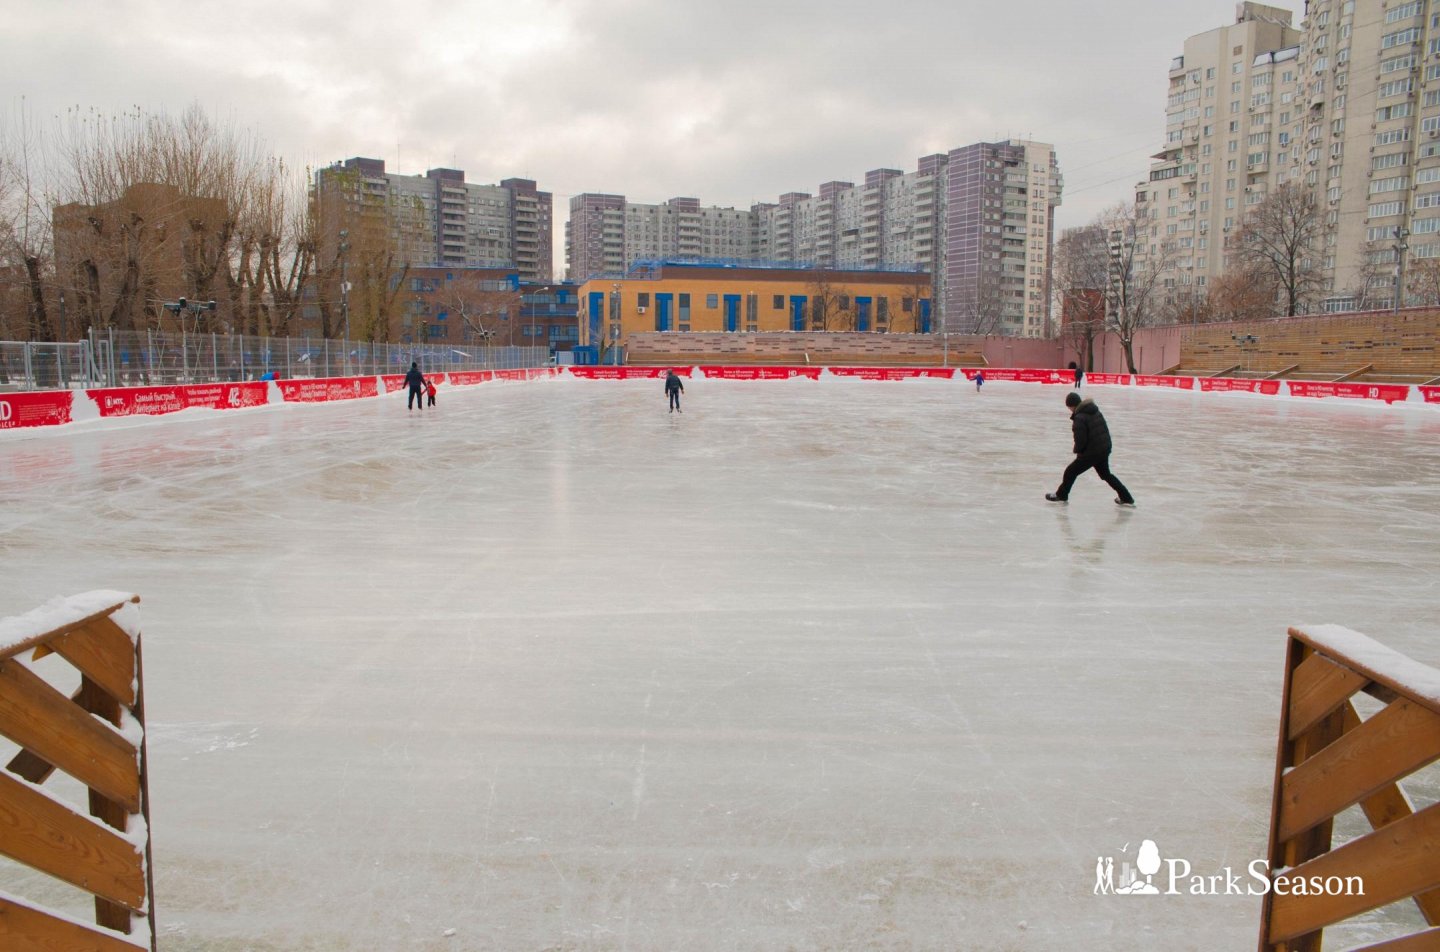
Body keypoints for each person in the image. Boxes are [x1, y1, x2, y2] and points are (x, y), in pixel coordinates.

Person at [1046, 391, 1135, 506]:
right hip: (1104, 448)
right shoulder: (1094, 410)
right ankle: (1126, 497)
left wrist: (1078, 452)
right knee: (1106, 474)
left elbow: (1080, 440)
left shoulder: (1079, 418)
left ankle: (1061, 495)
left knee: (1070, 471)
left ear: (1072, 406)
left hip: (1093, 452)